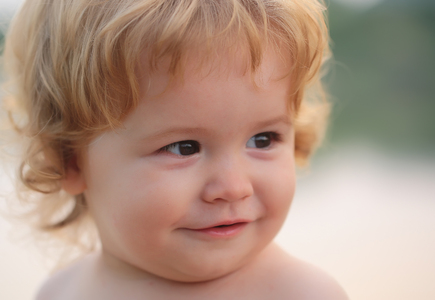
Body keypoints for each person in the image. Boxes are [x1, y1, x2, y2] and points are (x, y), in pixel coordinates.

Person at [1, 0, 348, 299]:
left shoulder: (302, 294)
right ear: (69, 159)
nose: (233, 187)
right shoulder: (60, 292)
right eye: (184, 148)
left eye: (263, 139)